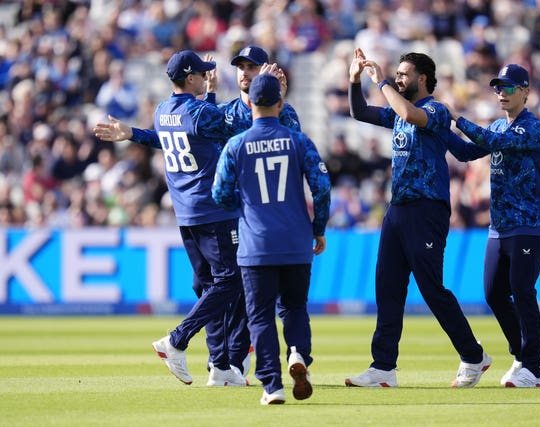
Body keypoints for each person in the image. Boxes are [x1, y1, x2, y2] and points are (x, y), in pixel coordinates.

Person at [93, 45, 302, 386]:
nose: (208, 76)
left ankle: (220, 365)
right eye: (202, 73)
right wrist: (265, 89)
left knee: (209, 286)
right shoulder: (202, 112)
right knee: (232, 281)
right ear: (190, 78)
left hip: (186, 213)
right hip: (214, 209)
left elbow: (184, 133)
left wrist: (132, 133)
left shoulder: (164, 109)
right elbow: (236, 124)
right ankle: (177, 340)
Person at [344, 48, 491, 388]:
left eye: (403, 74)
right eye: (396, 74)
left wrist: (380, 81)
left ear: (422, 79)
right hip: (398, 209)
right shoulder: (399, 110)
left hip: (427, 208)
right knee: (387, 287)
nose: (398, 78)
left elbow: (410, 114)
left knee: (431, 288)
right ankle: (383, 367)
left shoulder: (435, 110)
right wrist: (354, 79)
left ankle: (473, 355)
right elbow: (359, 111)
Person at [212, 73, 331, 405]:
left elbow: (219, 194)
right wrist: (318, 228)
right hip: (295, 242)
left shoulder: (236, 145)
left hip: (256, 244)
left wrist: (244, 207)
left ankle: (272, 386)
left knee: (260, 316)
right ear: (281, 103)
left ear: (249, 103)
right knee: (294, 307)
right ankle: (298, 353)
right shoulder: (298, 141)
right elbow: (322, 188)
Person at [445, 63, 540, 387]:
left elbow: (492, 140)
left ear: (525, 91)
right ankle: (523, 353)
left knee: (522, 290)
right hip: (500, 225)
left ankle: (533, 370)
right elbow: (466, 152)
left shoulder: (532, 127)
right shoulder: (497, 126)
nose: (501, 93)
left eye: (508, 87)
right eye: (498, 87)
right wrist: (438, 129)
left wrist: (457, 118)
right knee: (493, 293)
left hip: (528, 222)